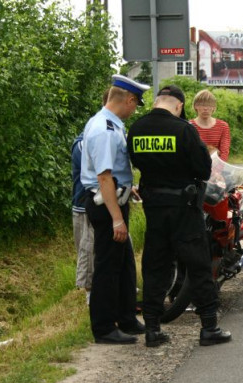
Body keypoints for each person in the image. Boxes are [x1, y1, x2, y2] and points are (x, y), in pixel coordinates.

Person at [127, 85, 232, 347]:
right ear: (179, 106)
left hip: (153, 208)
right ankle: (209, 327)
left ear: (156, 102)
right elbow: (203, 168)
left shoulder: (136, 129)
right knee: (198, 265)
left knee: (155, 266)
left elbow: (136, 162)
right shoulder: (184, 129)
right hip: (184, 208)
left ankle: (152, 329)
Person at [80, 74, 148, 344]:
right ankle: (104, 327)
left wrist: (127, 187)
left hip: (115, 199)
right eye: (136, 104)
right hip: (106, 205)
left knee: (124, 265)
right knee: (108, 267)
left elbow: (113, 173)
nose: (135, 110)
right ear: (129, 100)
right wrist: (117, 219)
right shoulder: (105, 129)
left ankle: (127, 317)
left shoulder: (112, 124)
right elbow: (104, 177)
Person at [72, 89, 110, 306]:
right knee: (88, 249)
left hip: (110, 199)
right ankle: (90, 295)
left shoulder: (114, 130)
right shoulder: (87, 139)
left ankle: (113, 286)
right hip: (86, 204)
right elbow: (100, 170)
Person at [190, 89, 231, 161]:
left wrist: (218, 169)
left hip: (217, 166)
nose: (205, 108)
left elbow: (224, 152)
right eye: (202, 105)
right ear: (195, 106)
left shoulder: (223, 126)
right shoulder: (189, 126)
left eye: (209, 105)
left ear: (214, 107)